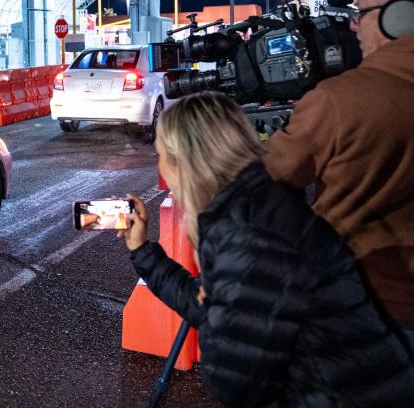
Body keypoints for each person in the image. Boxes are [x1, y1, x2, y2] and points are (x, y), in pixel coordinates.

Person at [120, 92, 414, 407]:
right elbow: (219, 312)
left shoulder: (248, 234)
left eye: (160, 154)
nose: (160, 164)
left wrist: (213, 303)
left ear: (183, 161)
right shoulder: (257, 204)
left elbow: (231, 378)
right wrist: (143, 251)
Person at [264, 0, 414, 349]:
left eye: (360, 13)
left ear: (400, 16)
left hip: (371, 306)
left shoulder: (340, 100)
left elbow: (269, 181)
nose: (353, 25)